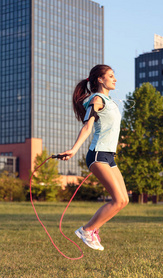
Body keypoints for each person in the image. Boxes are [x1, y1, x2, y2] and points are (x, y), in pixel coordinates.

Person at [59, 64, 129, 251]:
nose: (115, 79)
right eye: (111, 76)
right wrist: (73, 150)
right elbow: (87, 127)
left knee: (123, 200)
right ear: (100, 79)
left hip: (109, 156)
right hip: (97, 155)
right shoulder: (96, 99)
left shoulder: (109, 101)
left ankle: (92, 229)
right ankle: (87, 230)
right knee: (116, 199)